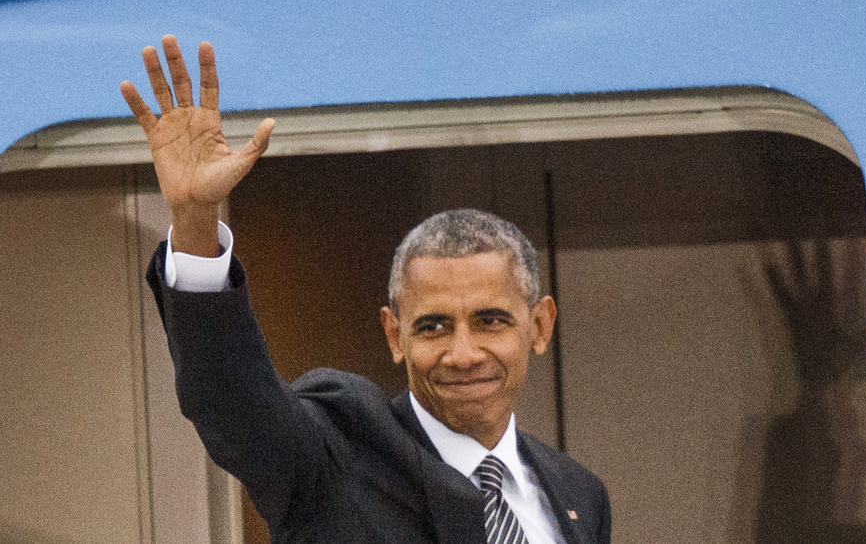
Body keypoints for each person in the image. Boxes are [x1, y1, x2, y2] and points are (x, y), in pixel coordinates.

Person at [123, 35, 611, 543]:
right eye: (433, 326)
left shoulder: (578, 494)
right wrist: (196, 220)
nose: (463, 354)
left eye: (490, 320)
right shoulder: (338, 454)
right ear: (394, 334)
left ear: (540, 325)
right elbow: (234, 403)